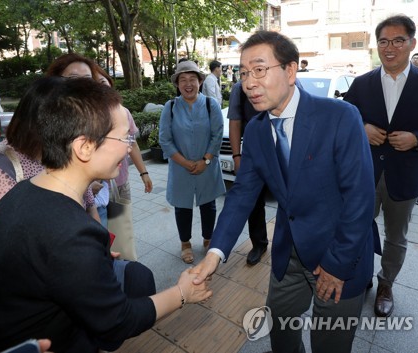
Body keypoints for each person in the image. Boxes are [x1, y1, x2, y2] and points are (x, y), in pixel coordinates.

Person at [0, 77, 212, 353]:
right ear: (84, 147)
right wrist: (182, 293)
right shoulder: (70, 233)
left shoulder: (19, 195)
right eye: (124, 136)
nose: (130, 146)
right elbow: (118, 321)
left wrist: (89, 258)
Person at [192, 30, 376, 353]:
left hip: (338, 257)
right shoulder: (257, 130)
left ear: (290, 71)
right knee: (282, 335)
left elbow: (360, 200)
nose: (248, 83)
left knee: (329, 343)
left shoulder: (339, 117)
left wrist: (337, 265)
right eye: (244, 73)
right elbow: (241, 195)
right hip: (287, 256)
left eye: (259, 69)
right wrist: (213, 254)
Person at [0, 75, 103, 341]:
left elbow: (89, 208)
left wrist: (96, 251)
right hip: (2, 309)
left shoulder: (63, 157)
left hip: (53, 303)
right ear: (42, 121)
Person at [344, 15, 418, 318]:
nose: (390, 47)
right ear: (376, 45)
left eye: (398, 40)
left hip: (405, 176)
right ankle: (361, 272)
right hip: (365, 173)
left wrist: (417, 139)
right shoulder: (362, 83)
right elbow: (344, 121)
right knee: (358, 227)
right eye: (383, 41)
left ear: (411, 43)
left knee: (396, 236)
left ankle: (386, 284)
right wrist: (360, 127)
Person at [159, 60, 225, 264]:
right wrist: (186, 163)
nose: (188, 84)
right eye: (183, 80)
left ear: (200, 81)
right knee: (182, 206)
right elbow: (165, 139)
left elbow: (217, 134)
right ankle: (185, 243)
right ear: (177, 84)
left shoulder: (210, 104)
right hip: (180, 167)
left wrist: (205, 160)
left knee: (208, 204)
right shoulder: (170, 107)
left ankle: (208, 239)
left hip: (207, 164)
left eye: (192, 79)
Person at [89, 62, 154, 261]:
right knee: (98, 235)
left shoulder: (122, 111)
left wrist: (144, 173)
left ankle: (127, 266)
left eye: (103, 81)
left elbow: (132, 143)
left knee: (122, 229)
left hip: (119, 183)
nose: (100, 86)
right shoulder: (83, 116)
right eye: (93, 83)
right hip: (93, 188)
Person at [227, 80, 268, 265]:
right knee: (254, 202)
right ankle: (259, 243)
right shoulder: (240, 88)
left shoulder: (289, 82)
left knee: (290, 201)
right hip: (253, 153)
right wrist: (236, 156)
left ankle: (292, 243)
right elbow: (235, 121)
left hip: (284, 151)